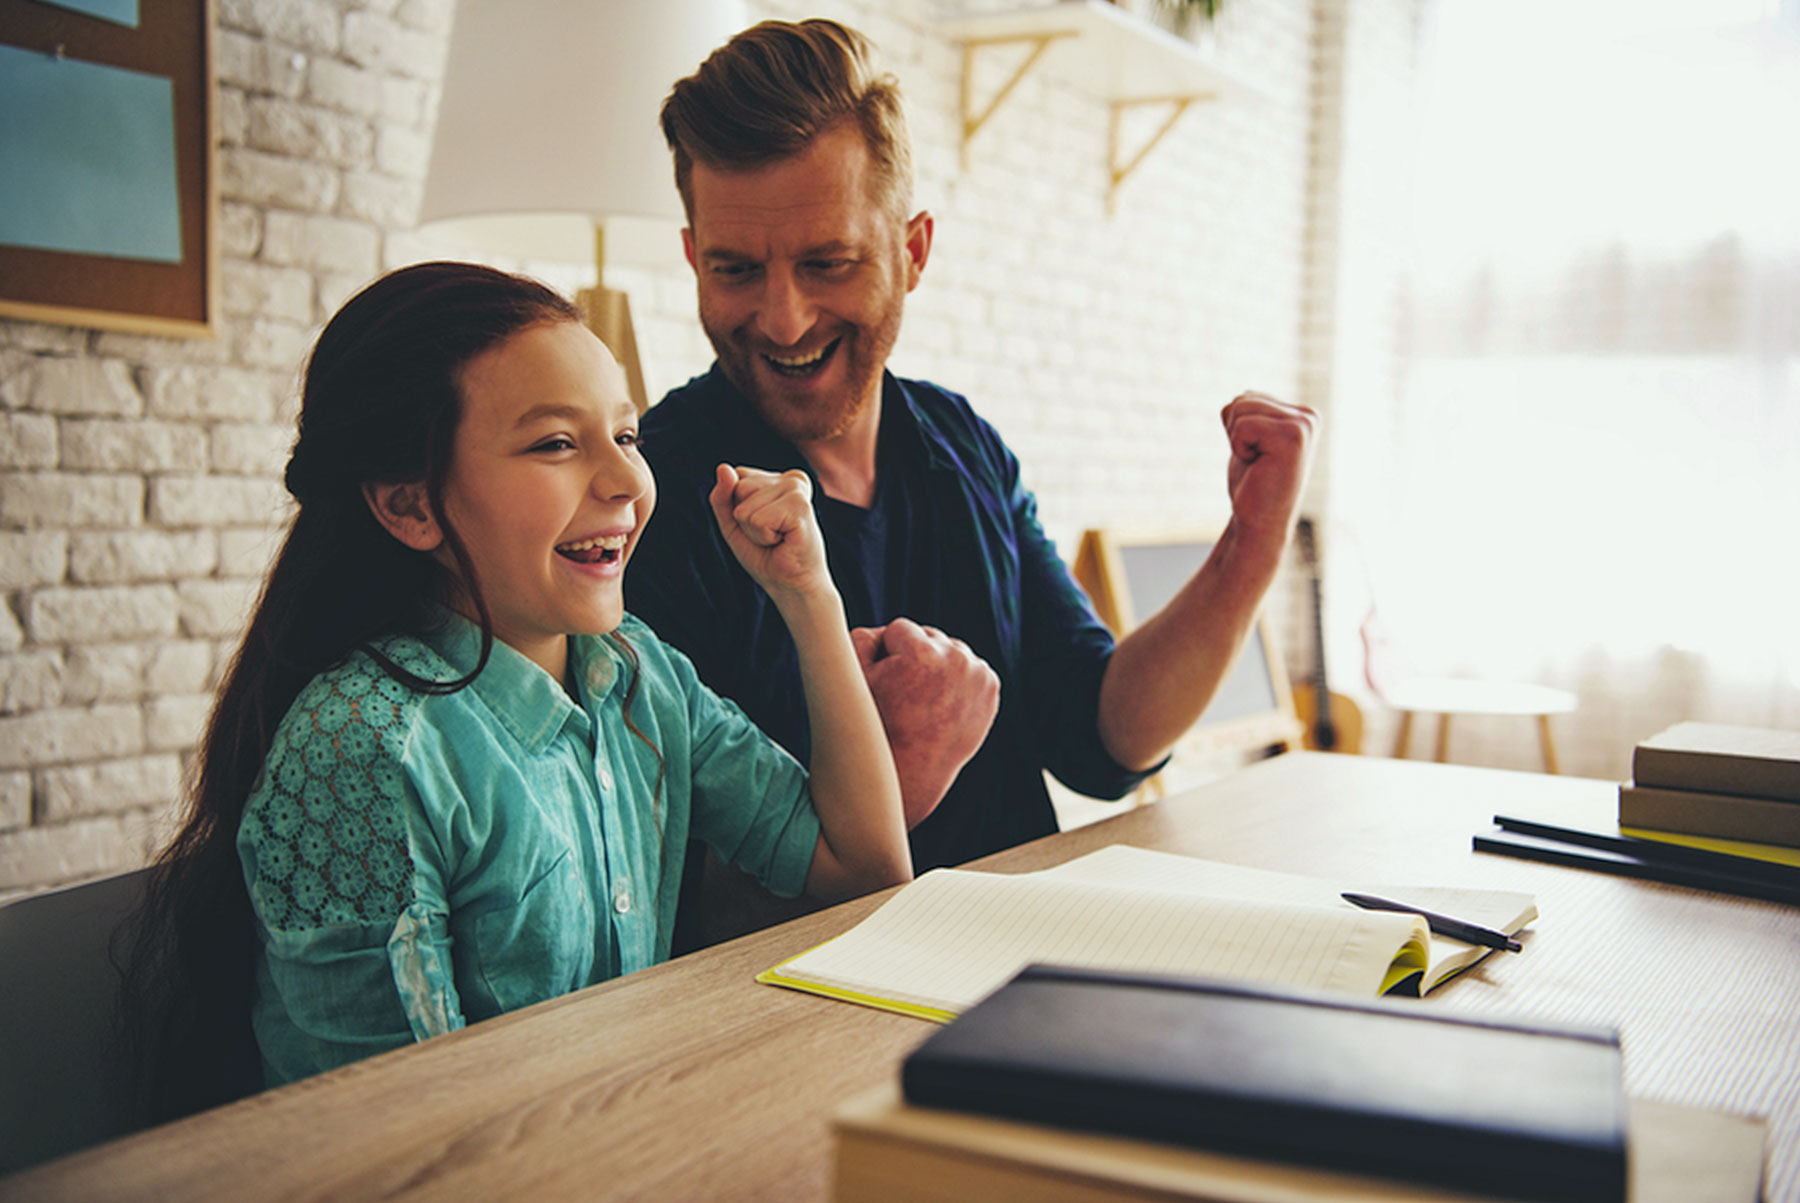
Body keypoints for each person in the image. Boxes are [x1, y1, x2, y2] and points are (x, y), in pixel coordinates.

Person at [124, 261, 910, 1118]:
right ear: (409, 506)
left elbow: (864, 867)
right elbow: (398, 1137)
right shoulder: (361, 748)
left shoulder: (638, 673)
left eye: (628, 436)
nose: (625, 484)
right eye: (555, 444)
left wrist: (808, 594)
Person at [627, 18, 1318, 944]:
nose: (783, 318)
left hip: (1018, 969)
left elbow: (1106, 736)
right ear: (692, 259)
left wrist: (1252, 542)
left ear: (912, 251)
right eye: (737, 270)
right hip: (792, 1027)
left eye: (828, 263)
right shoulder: (650, 500)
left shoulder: (962, 444)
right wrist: (896, 775)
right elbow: (662, 920)